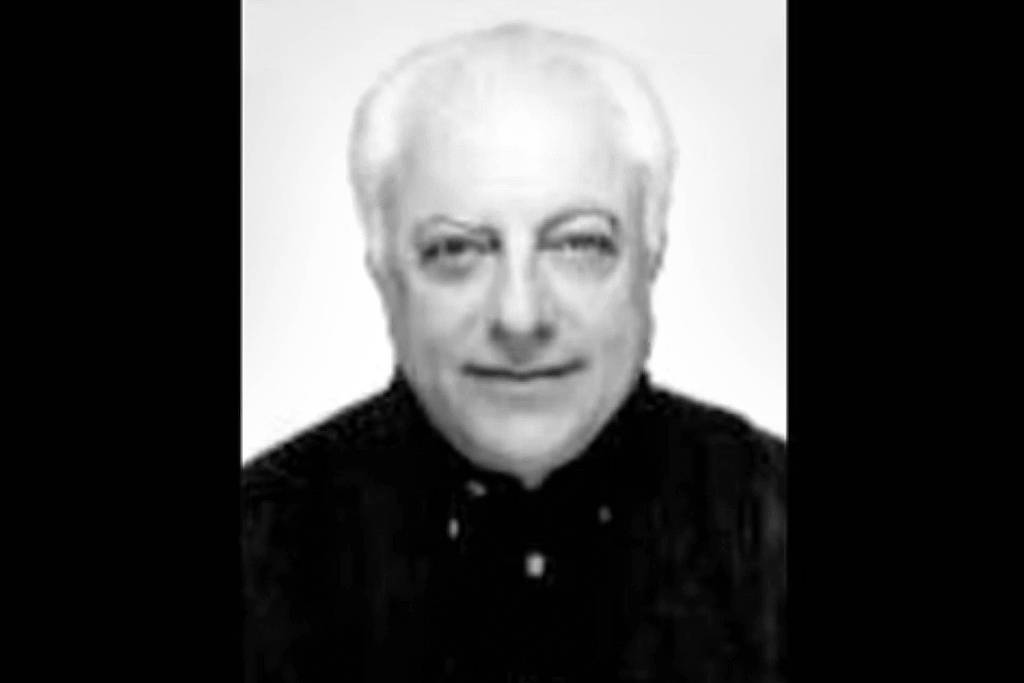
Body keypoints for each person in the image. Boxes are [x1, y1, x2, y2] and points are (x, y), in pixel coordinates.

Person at [242, 22, 785, 683]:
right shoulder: (257, 546)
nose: (520, 317)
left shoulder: (770, 523)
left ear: (653, 255)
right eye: (455, 249)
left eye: (578, 244)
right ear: (382, 269)